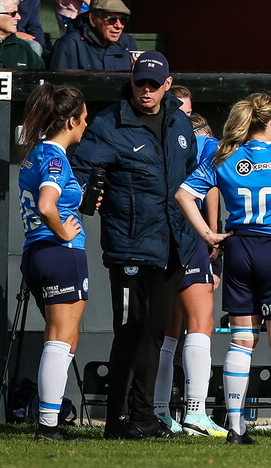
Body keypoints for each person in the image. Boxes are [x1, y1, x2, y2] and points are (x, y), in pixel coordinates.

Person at [177, 92, 271, 447]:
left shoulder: (225, 155)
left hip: (240, 247)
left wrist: (208, 234)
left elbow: (184, 194)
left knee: (241, 340)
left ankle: (235, 428)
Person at [72, 50, 196, 440]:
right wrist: (91, 196)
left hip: (173, 244)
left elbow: (192, 177)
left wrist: (203, 232)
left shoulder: (180, 122)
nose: (146, 90)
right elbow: (78, 176)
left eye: (154, 84)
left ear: (168, 85)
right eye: (141, 82)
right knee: (130, 331)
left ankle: (144, 417)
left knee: (156, 334)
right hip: (130, 246)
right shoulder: (109, 123)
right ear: (132, 80)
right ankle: (115, 419)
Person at [18, 83, 91, 441]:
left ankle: (51, 415)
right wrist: (63, 231)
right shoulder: (55, 158)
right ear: (71, 120)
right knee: (60, 340)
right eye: (84, 119)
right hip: (60, 253)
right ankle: (48, 426)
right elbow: (47, 204)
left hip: (35, 253)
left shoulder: (34, 153)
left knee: (61, 338)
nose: (86, 126)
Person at [152, 101, 226, 438]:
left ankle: (160, 412)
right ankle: (196, 411)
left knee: (168, 331)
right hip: (187, 234)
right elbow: (211, 183)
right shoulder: (204, 144)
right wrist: (211, 232)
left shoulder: (155, 140)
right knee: (200, 324)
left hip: (157, 237)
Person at [49, 0, 137, 71]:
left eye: (123, 20)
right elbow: (62, 85)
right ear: (93, 19)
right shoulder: (70, 44)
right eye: (111, 20)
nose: (119, 26)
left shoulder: (127, 42)